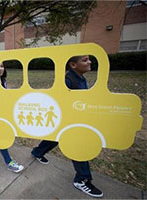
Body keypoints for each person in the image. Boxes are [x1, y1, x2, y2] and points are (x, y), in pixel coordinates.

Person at [31, 55, 103, 198]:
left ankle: (37, 152)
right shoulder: (67, 80)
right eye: (85, 60)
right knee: (77, 148)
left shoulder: (80, 78)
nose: (89, 62)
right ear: (73, 65)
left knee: (55, 138)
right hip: (68, 121)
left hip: (73, 120)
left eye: (89, 59)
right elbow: (57, 101)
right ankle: (81, 179)